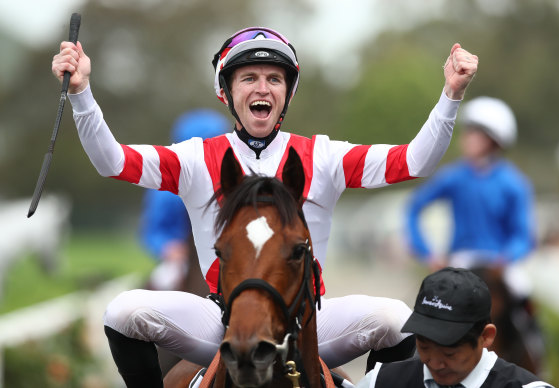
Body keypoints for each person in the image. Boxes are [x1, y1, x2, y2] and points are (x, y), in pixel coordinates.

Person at [51, 26, 478, 387]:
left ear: (287, 92)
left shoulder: (325, 157)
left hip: (310, 320)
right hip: (222, 318)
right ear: (226, 92)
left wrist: (451, 95)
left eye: (274, 79)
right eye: (249, 77)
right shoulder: (196, 158)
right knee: (122, 311)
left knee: (395, 318)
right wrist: (82, 92)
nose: (262, 88)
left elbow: (416, 161)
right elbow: (113, 162)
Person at [357, 267, 554, 388]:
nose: (434, 363)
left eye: (449, 353)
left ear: (486, 336)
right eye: (424, 347)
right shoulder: (379, 382)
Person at [405, 96, 536, 271]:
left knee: (522, 295)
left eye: (475, 132)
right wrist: (427, 253)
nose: (466, 137)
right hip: (460, 262)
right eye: (467, 131)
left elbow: (523, 236)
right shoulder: (453, 177)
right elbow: (414, 206)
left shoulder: (514, 184)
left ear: (494, 140)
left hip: (499, 266)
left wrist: (506, 258)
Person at [140, 109, 230, 292]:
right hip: (183, 260)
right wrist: (168, 247)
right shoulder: (163, 186)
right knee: (164, 281)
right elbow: (152, 230)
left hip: (227, 254)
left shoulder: (232, 180)